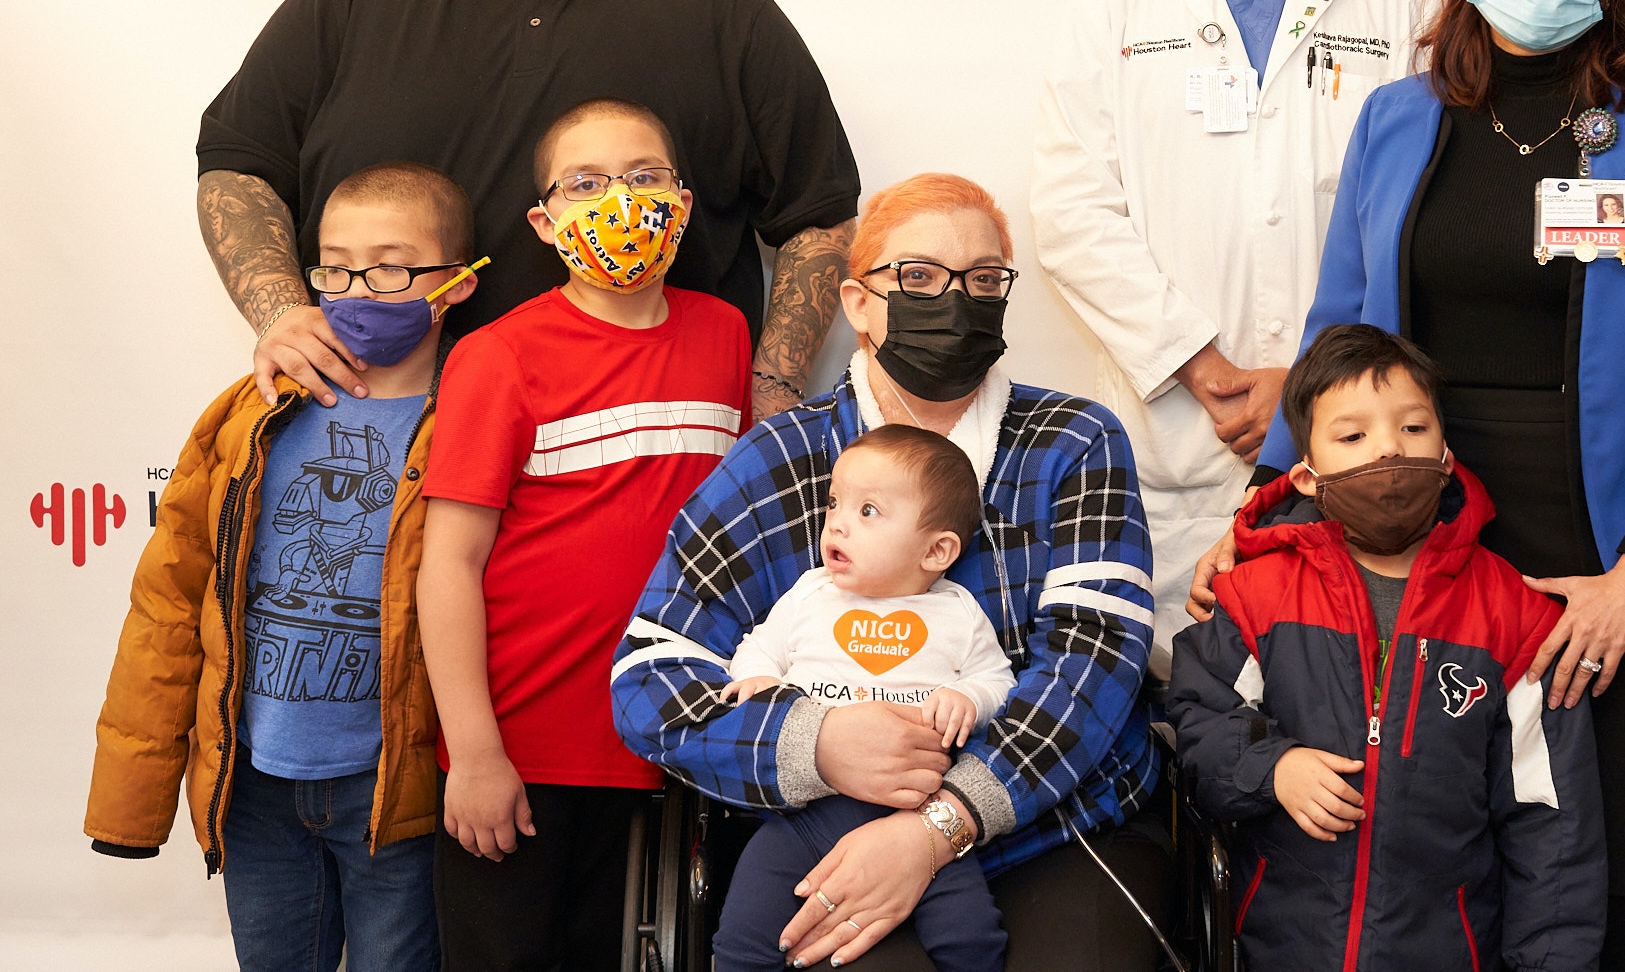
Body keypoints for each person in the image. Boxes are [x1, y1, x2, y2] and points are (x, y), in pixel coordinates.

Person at [1199, 0, 1625, 971]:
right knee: (1434, 841)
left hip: (1609, 544)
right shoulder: (1399, 119)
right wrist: (1265, 498)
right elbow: (1337, 336)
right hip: (1421, 531)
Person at [195, 0, 858, 425]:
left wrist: (774, 384)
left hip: (646, 447)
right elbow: (240, 165)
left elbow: (818, 214)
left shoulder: (721, 4)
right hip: (376, 429)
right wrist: (281, 311)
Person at [613, 173, 1166, 972]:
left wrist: (936, 829)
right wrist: (817, 743)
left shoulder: (1073, 441)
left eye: (983, 279)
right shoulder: (780, 459)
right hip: (830, 825)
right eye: (916, 276)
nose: (954, 298)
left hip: (1061, 822)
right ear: (857, 304)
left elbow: (1095, 663)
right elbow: (651, 676)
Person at [1032, 0, 1427, 661]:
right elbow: (1071, 213)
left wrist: (1306, 381)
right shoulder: (1115, 0)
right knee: (1173, 713)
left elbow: (1415, 218)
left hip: (1344, 432)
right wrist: (1201, 363)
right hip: (1170, 428)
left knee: (1332, 710)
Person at [86, 161, 482, 972]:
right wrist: (131, 802)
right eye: (333, 266)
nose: (356, 289)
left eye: (391, 266)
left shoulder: (472, 424)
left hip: (392, 791)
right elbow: (168, 603)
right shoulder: (250, 412)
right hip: (255, 784)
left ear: (457, 283)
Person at [417, 99, 751, 971]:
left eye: (646, 178)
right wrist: (476, 755)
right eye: (588, 183)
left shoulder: (724, 335)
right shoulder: (497, 355)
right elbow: (447, 564)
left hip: (676, 744)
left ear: (681, 199)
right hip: (525, 756)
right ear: (544, 219)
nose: (622, 200)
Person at [1169, 324, 1604, 969]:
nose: (1388, 453)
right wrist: (1274, 767)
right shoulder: (1255, 597)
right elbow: (1199, 721)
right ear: (1309, 477)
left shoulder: (1514, 616)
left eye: (1413, 428)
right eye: (1353, 436)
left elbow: (1552, 824)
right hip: (1283, 950)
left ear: (1448, 457)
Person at [712, 425, 1015, 972]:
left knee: (971, 938)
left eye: (868, 511)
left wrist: (967, 695)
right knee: (741, 936)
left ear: (936, 550)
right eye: (834, 504)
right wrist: (758, 684)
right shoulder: (810, 594)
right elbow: (756, 652)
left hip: (924, 811)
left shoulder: (958, 612)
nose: (838, 523)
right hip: (809, 810)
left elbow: (1000, 683)